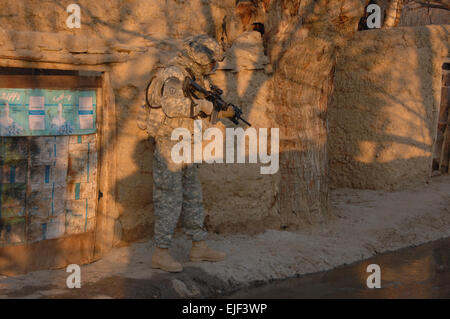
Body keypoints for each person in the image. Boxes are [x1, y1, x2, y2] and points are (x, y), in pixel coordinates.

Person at [146, 35, 234, 273]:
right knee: (169, 197)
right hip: (170, 144)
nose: (213, 67)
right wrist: (201, 106)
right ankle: (161, 253)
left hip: (188, 143)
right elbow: (171, 106)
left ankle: (199, 246)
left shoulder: (199, 79)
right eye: (211, 61)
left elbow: (203, 109)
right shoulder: (174, 73)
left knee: (193, 195)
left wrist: (217, 110)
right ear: (200, 57)